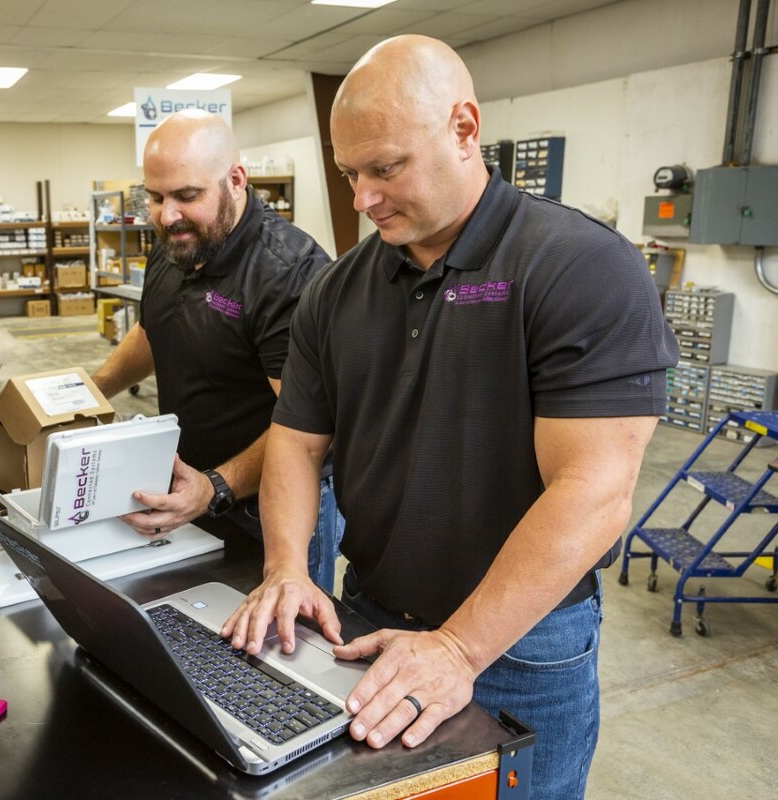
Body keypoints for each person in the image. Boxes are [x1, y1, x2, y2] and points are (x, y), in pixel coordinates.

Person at [222, 35, 678, 798]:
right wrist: (288, 568)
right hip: (367, 618)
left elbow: (594, 490)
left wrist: (460, 649)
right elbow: (297, 445)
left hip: (521, 646)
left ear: (465, 129)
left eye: (386, 168)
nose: (362, 198)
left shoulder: (578, 266)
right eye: (350, 174)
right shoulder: (336, 292)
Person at [91, 110, 344, 593]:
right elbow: (155, 328)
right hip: (190, 487)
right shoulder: (174, 242)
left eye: (188, 196)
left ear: (236, 180)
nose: (168, 216)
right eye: (156, 197)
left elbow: (313, 424)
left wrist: (216, 487)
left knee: (271, 647)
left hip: (270, 504)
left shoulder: (287, 274)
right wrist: (91, 390)